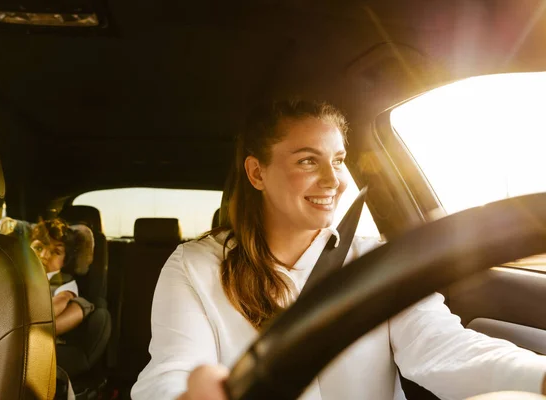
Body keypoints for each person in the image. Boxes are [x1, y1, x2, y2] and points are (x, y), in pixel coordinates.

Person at [131, 100, 546, 400]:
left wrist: (538, 377)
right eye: (308, 161)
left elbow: (442, 346)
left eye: (339, 160)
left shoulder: (374, 260)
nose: (334, 180)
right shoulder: (195, 267)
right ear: (257, 173)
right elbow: (172, 372)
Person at [30, 218, 94, 336]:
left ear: (64, 261)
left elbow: (61, 300)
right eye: (39, 248)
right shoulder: (18, 273)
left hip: (35, 325)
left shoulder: (64, 282)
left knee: (80, 305)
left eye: (56, 252)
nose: (45, 255)